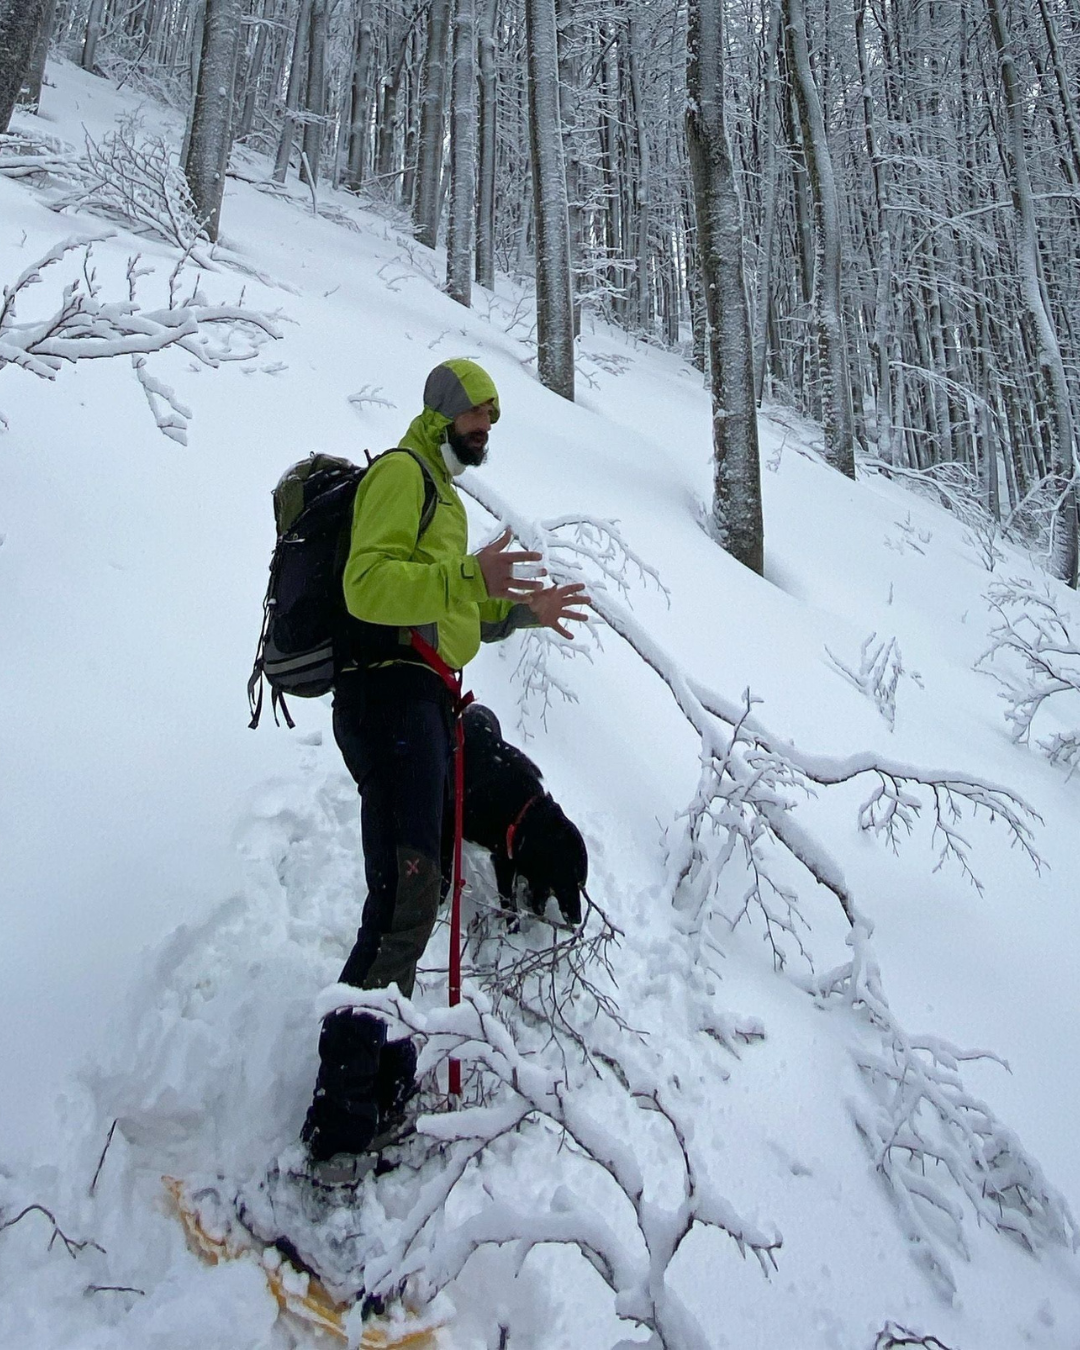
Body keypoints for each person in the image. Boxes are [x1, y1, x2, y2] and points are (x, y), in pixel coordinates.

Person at [301, 358, 587, 1176]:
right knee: (403, 900)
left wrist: (517, 609)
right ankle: (341, 1125)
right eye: (477, 418)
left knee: (413, 899)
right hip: (387, 698)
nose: (485, 431)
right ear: (444, 414)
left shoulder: (443, 495)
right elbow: (367, 586)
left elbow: (446, 609)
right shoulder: (401, 474)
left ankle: (380, 1087)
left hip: (420, 700)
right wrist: (468, 573)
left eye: (492, 421)